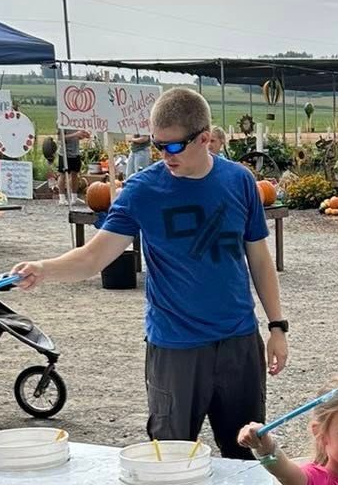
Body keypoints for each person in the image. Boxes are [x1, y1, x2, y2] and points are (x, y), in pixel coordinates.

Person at [14, 87, 288, 458]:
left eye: (172, 146)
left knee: (247, 457)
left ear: (205, 138)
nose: (163, 155)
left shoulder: (239, 181)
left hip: (239, 342)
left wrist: (276, 326)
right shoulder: (142, 190)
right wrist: (43, 269)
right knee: (170, 459)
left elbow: (258, 257)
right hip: (175, 347)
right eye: (158, 145)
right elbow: (94, 257)